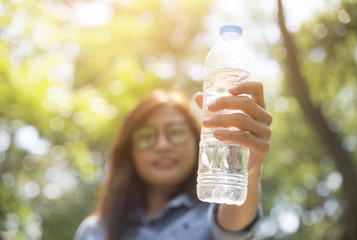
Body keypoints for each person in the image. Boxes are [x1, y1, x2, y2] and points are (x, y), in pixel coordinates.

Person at [74, 81, 272, 240]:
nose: (162, 145)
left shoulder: (215, 213)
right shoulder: (94, 232)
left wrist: (248, 173)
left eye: (176, 132)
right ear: (129, 152)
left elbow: (235, 227)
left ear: (197, 142)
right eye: (146, 136)